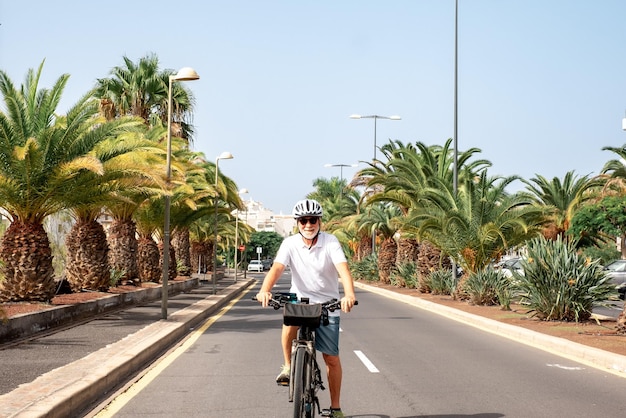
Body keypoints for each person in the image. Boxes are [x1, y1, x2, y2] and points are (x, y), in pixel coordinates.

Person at [256, 199, 356, 418]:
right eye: (303, 221)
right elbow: (277, 269)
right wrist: (265, 290)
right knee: (288, 319)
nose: (308, 225)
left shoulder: (330, 242)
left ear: (319, 221)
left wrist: (348, 295)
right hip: (300, 300)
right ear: (297, 223)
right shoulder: (290, 244)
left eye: (312, 220)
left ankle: (336, 407)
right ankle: (288, 366)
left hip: (327, 304)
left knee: (331, 358)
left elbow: (344, 271)